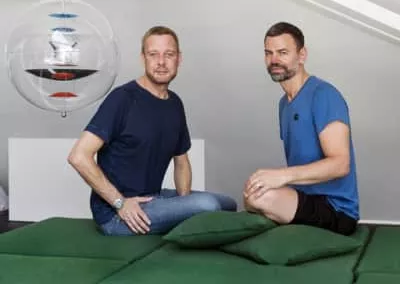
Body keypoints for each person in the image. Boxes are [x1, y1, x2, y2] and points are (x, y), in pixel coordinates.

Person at [68, 26, 236, 236]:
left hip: (153, 198)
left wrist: (184, 206)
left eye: (169, 54)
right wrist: (120, 203)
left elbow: (181, 161)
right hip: (117, 214)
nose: (161, 62)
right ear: (143, 58)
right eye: (153, 54)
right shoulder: (122, 99)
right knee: (208, 205)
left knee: (228, 204)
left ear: (179, 59)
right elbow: (78, 156)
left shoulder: (174, 104)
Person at [244, 22, 359, 235]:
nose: (274, 60)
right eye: (269, 53)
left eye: (283, 53)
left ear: (302, 55)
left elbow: (341, 164)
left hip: (336, 210)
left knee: (262, 198)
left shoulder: (324, 95)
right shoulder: (284, 104)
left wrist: (282, 176)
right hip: (303, 198)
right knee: (251, 195)